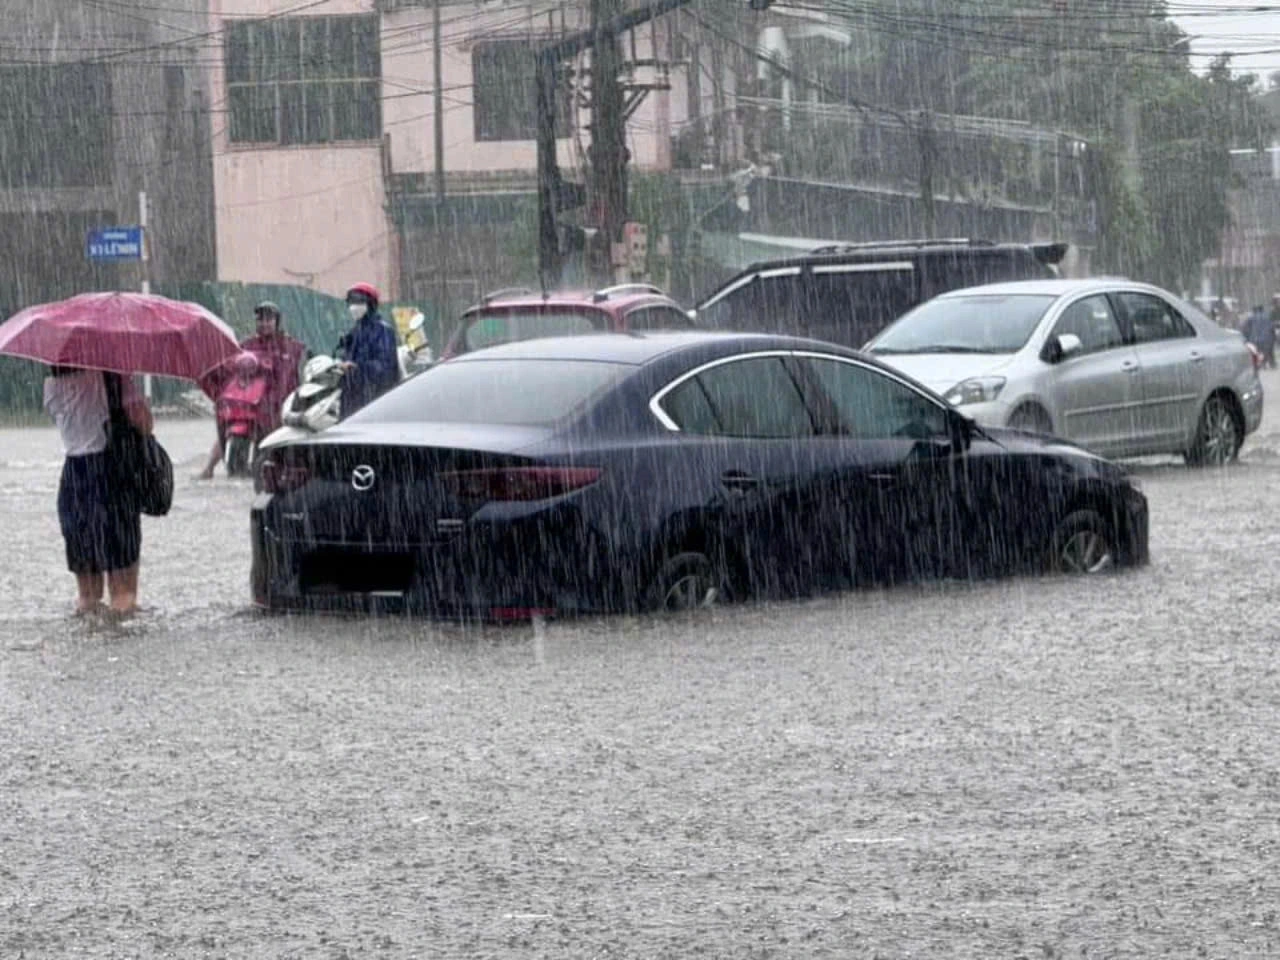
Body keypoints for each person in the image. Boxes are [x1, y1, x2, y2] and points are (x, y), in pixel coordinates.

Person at [44, 365, 154, 618]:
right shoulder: (114, 377)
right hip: (112, 476)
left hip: (74, 480)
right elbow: (144, 423)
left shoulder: (51, 385)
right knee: (123, 591)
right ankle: (122, 650)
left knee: (87, 596)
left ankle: (91, 642)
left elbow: (70, 420)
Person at [199, 300, 306, 479]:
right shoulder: (247, 345)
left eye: (269, 320)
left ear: (277, 321)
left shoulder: (290, 346)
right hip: (250, 404)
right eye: (260, 320)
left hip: (278, 405)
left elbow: (300, 369)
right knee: (227, 426)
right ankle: (209, 468)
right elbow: (229, 366)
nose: (264, 324)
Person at [336, 282, 399, 416]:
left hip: (373, 396)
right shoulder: (354, 331)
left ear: (370, 304)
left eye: (359, 301)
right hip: (352, 395)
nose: (353, 307)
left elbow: (386, 366)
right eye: (351, 302)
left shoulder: (382, 331)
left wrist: (358, 368)